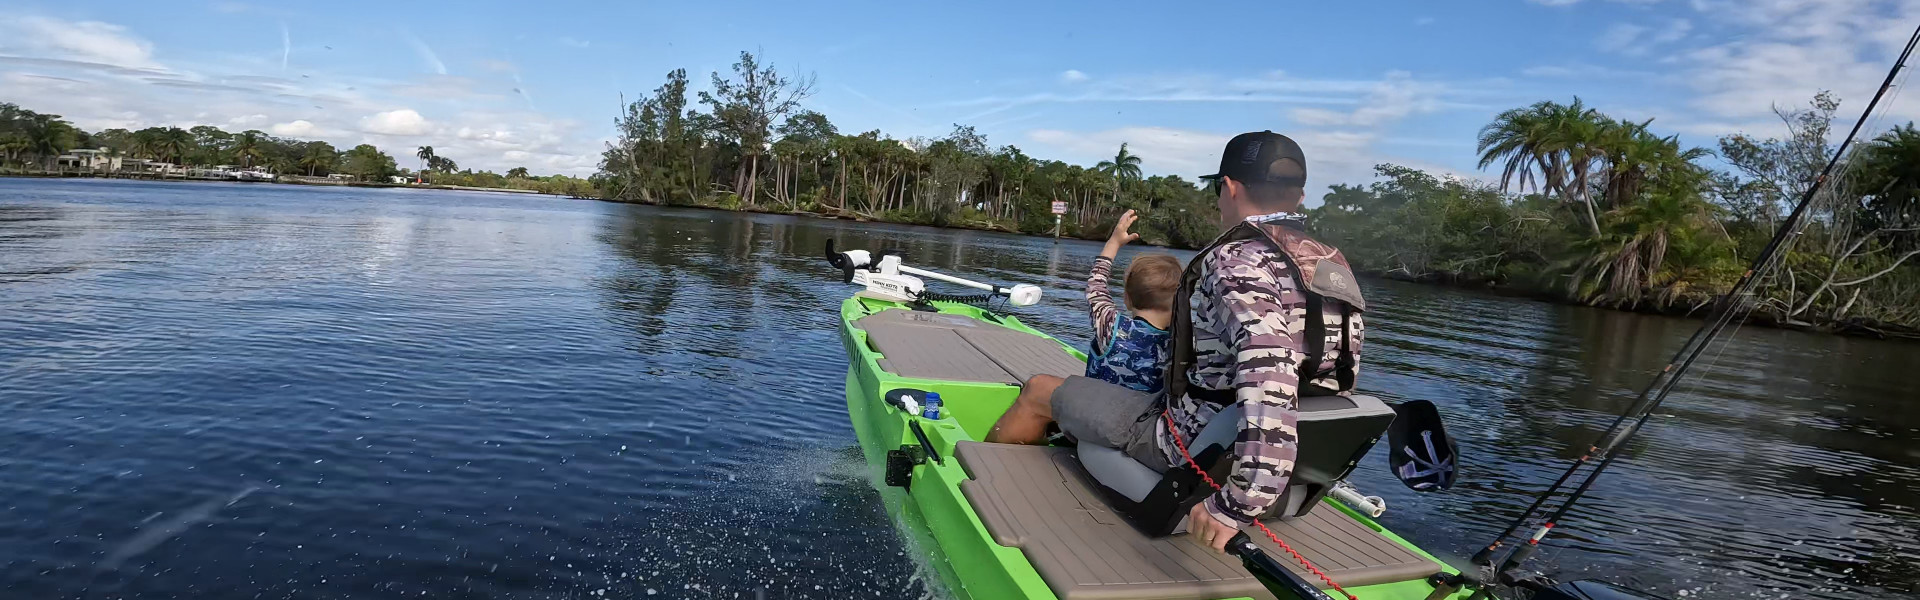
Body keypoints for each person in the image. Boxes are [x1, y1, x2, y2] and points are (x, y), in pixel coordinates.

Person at [984, 131, 1366, 554]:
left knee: (1039, 389)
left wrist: (1241, 501)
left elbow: (1270, 371)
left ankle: (986, 485)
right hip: (1273, 450)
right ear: (1298, 196)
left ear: (1230, 187)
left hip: (1188, 443)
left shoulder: (1237, 259)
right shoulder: (1330, 264)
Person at [1083, 209, 1180, 394]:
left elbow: (1096, 285)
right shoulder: (1182, 344)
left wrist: (1114, 242)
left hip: (1097, 415)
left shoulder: (1111, 327)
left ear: (1127, 299)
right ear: (1180, 304)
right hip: (1147, 421)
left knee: (1039, 385)